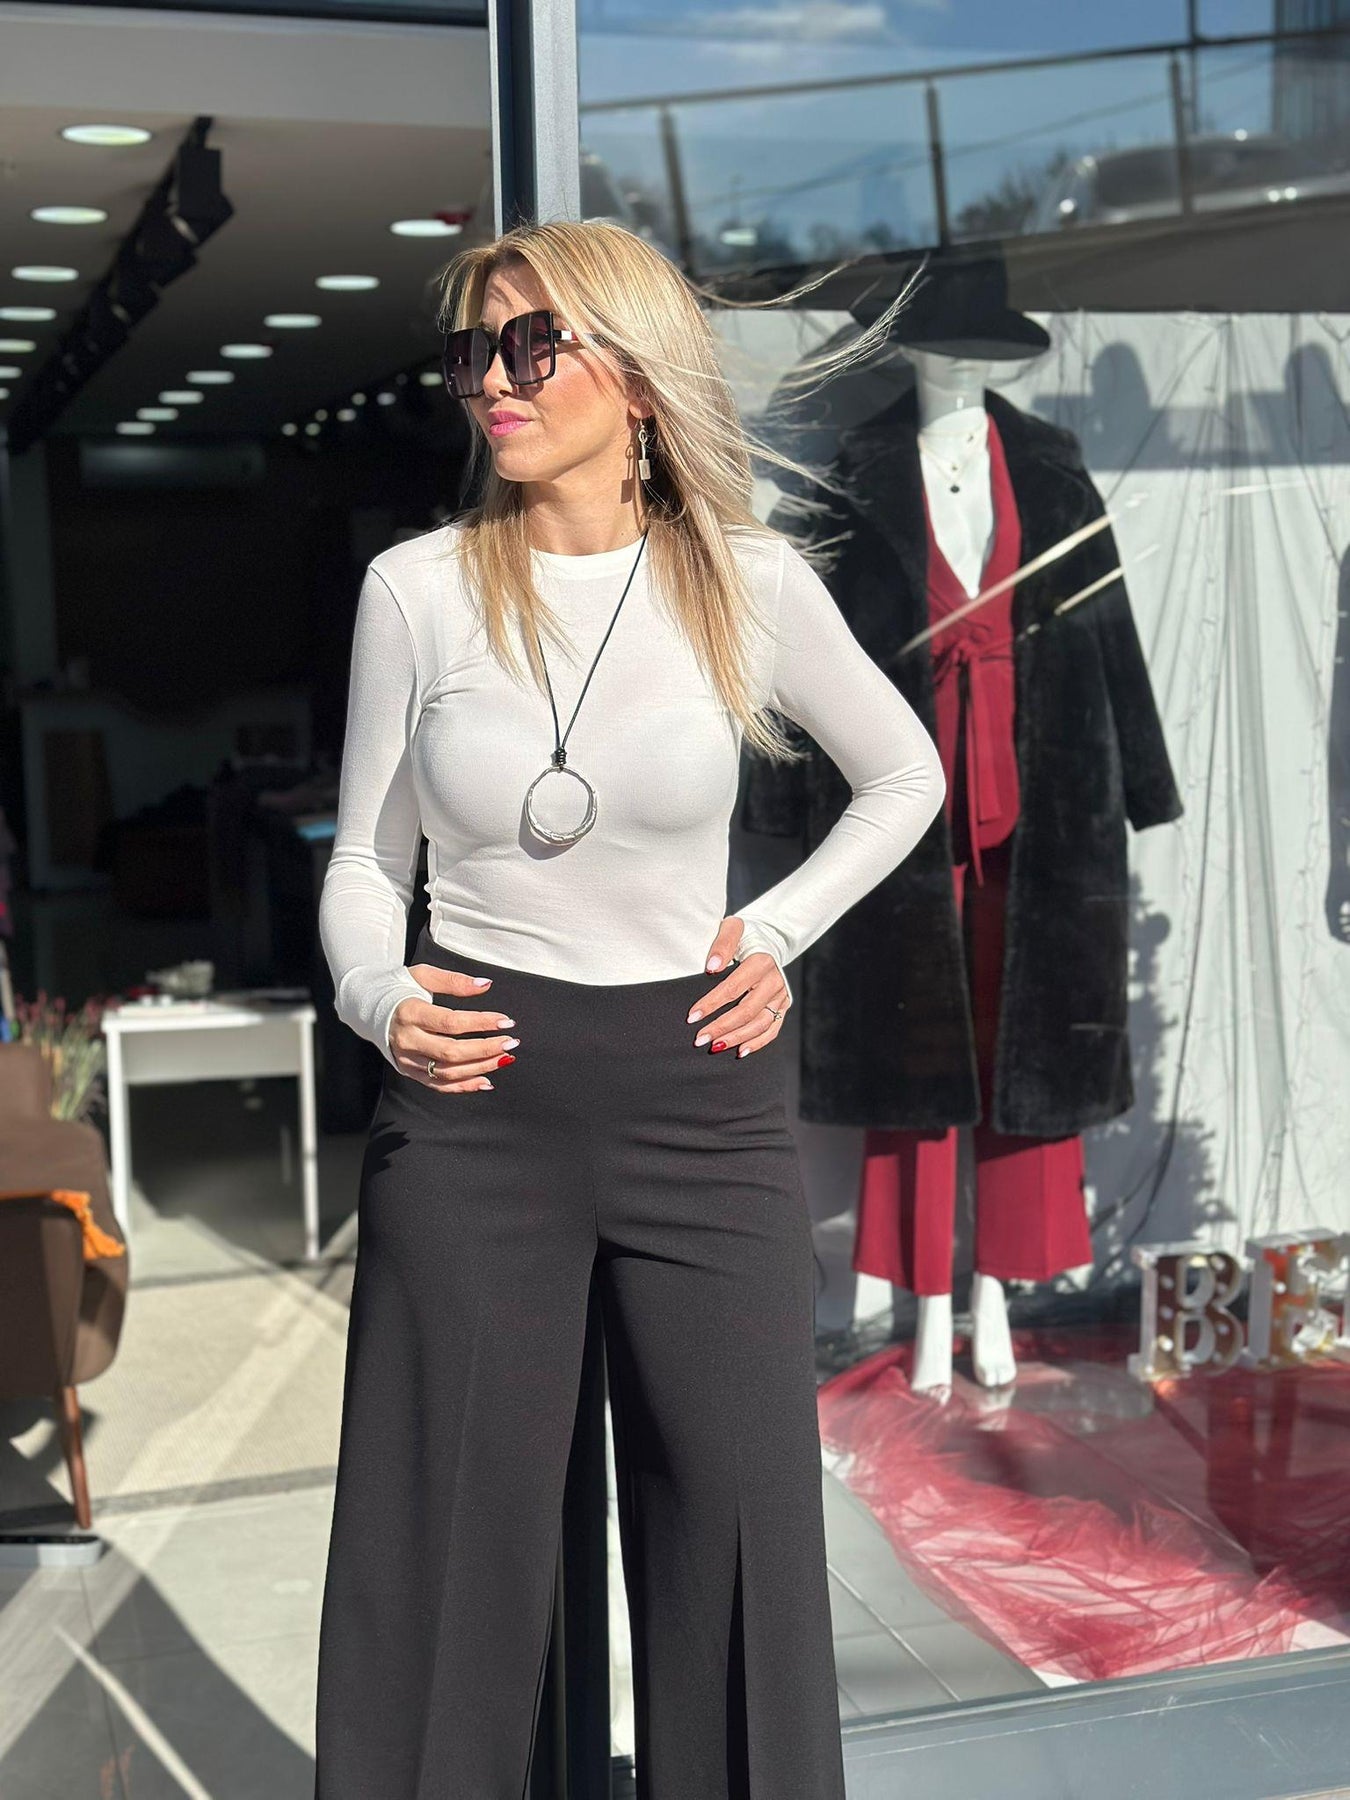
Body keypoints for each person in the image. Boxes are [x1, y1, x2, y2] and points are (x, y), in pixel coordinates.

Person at [312, 217, 946, 1800]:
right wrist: (376, 994)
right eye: (475, 349)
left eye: (536, 345)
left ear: (639, 376)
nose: (496, 380)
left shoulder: (745, 581)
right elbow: (365, 860)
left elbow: (903, 775)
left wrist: (776, 929)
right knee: (445, 1551)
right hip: (474, 1102)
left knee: (734, 1538)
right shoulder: (418, 588)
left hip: (696, 1097)